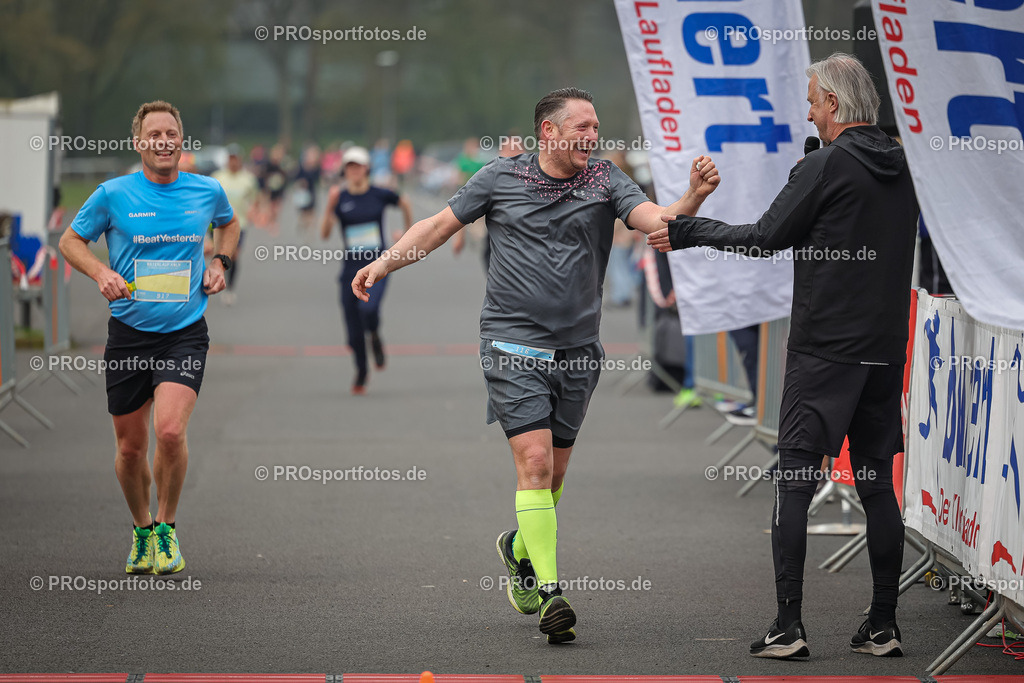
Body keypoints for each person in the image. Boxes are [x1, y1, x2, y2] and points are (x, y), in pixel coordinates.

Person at [352, 87, 719, 643]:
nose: (593, 136)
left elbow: (659, 224)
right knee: (536, 462)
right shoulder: (500, 178)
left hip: (579, 352)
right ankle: (551, 593)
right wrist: (384, 263)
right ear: (548, 131)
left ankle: (519, 548)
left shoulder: (605, 179)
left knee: (554, 477)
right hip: (511, 345)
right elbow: (437, 226)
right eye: (582, 127)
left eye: (596, 127)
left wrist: (692, 196)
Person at [649, 53, 918, 659]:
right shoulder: (905, 165)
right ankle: (883, 623)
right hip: (884, 346)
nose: (809, 112)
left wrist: (688, 232)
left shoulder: (825, 165)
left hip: (824, 347)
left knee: (794, 480)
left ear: (834, 105)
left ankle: (789, 625)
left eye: (814, 102)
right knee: (877, 483)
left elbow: (765, 237)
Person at [59, 100, 239, 576]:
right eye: (154, 134)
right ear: (139, 142)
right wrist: (101, 272)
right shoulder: (112, 194)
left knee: (171, 432)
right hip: (128, 336)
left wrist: (220, 262)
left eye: (170, 133)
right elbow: (70, 241)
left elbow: (229, 223)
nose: (163, 141)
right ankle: (141, 530)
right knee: (131, 449)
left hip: (184, 333)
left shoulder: (206, 190)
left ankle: (166, 527)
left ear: (182, 140)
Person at [321, 146, 413, 395]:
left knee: (368, 309)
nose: (354, 170)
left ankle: (374, 335)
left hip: (378, 266)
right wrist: (329, 206)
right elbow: (325, 233)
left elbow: (404, 201)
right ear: (344, 170)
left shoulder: (379, 194)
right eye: (349, 166)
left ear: (367, 169)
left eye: (358, 166)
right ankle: (362, 369)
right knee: (352, 334)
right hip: (350, 269)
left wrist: (406, 233)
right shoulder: (339, 197)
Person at [211, 144, 259, 305]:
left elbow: (255, 198)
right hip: (217, 224)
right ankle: (216, 278)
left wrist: (253, 210)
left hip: (239, 223)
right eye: (230, 159)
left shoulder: (248, 179)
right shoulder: (217, 177)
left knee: (234, 255)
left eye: (235, 159)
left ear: (240, 160)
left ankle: (229, 288)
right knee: (218, 254)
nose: (233, 162)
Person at [294, 144, 322, 240]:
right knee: (304, 212)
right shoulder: (301, 167)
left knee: (312, 212)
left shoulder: (316, 168)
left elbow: (317, 178)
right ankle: (303, 224)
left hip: (311, 191)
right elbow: (296, 179)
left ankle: (310, 231)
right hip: (302, 193)